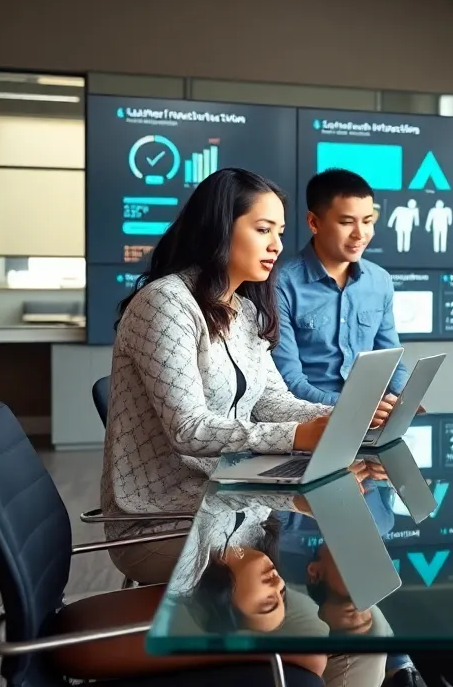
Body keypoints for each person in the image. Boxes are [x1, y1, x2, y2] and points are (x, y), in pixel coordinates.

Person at [101, 167, 331, 585]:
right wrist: (299, 435)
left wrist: (346, 415)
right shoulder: (166, 304)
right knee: (311, 601)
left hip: (230, 498)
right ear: (220, 229)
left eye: (280, 232)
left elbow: (271, 402)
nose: (277, 245)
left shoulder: (243, 311)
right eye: (263, 229)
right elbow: (188, 430)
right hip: (166, 522)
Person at [273, 168, 409, 427]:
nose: (360, 234)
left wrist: (402, 399)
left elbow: (392, 359)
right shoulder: (282, 283)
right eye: (347, 223)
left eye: (368, 221)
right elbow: (288, 381)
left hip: (373, 423)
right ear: (314, 222)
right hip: (311, 425)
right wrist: (355, 408)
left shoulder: (379, 280)